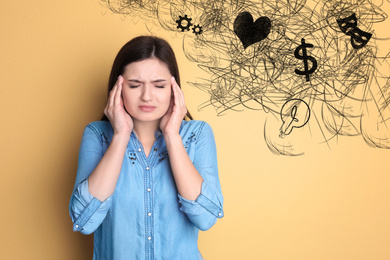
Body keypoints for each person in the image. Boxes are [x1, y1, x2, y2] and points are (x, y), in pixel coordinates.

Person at [69, 36, 224, 260]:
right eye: (134, 85)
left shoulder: (197, 134)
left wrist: (172, 135)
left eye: (159, 85)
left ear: (174, 88)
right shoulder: (97, 135)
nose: (147, 96)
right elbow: (84, 221)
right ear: (118, 87)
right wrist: (121, 135)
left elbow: (206, 217)